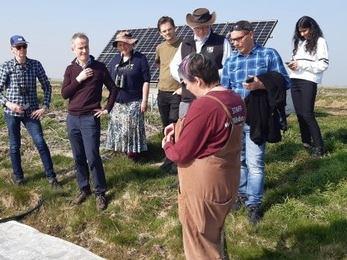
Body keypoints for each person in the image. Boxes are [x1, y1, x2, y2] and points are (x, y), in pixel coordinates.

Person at [162, 53, 246, 260]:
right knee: (213, 235)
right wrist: (180, 126)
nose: (186, 88)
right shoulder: (235, 98)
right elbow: (212, 131)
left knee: (199, 244)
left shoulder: (205, 105)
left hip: (203, 189)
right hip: (227, 180)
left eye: (186, 83)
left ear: (198, 80)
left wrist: (167, 145)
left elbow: (181, 153)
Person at [221, 20, 291, 224]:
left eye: (238, 39)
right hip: (236, 119)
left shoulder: (268, 54)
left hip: (258, 117)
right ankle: (242, 195)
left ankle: (254, 204)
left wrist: (262, 84)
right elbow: (225, 89)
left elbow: (285, 81)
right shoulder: (231, 61)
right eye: (232, 40)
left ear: (251, 34)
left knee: (255, 162)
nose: (235, 43)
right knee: (239, 160)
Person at [61, 33, 117, 211]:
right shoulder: (70, 69)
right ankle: (84, 189)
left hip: (89, 119)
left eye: (86, 46)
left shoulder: (99, 68)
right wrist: (79, 79)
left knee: (92, 156)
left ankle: (100, 192)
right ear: (73, 49)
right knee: (78, 157)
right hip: (72, 119)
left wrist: (107, 108)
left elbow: (113, 88)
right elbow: (64, 94)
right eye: (80, 47)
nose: (84, 50)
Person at [0, 35, 62, 188]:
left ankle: (52, 179)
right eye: (18, 47)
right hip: (12, 113)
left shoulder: (35, 65)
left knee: (40, 142)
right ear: (12, 49)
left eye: (24, 46)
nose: (22, 49)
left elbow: (47, 87)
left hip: (32, 113)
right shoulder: (6, 66)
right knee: (15, 146)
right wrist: (8, 104)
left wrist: (45, 106)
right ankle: (19, 179)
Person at [170, 7, 232, 117]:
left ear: (210, 25)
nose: (201, 31)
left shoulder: (222, 42)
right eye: (198, 28)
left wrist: (208, 78)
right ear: (192, 27)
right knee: (187, 130)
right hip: (188, 99)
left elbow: (228, 69)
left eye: (205, 27)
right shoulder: (185, 44)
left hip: (213, 99)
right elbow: (174, 66)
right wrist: (186, 79)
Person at [287, 16, 329, 157]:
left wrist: (301, 64)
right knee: (299, 114)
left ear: (312, 28)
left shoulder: (320, 41)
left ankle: (319, 147)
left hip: (308, 80)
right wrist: (293, 65)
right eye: (300, 31)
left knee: (307, 114)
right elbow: (299, 63)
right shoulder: (300, 43)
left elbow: (323, 64)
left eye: (304, 30)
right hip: (295, 79)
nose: (302, 34)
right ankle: (306, 143)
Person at [105, 32, 150, 160]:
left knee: (132, 128)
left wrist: (144, 100)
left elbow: (146, 80)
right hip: (118, 101)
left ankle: (133, 153)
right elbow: (110, 81)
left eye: (125, 44)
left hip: (134, 100)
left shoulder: (140, 59)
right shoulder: (114, 60)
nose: (123, 47)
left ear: (131, 44)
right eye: (120, 45)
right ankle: (120, 152)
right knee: (118, 127)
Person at [155, 16, 183, 174]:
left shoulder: (184, 44)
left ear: (175, 28)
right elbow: (159, 64)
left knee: (175, 125)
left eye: (169, 29)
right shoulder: (159, 48)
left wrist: (182, 87)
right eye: (164, 31)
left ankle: (176, 160)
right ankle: (168, 156)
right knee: (165, 125)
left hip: (177, 91)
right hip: (162, 91)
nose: (168, 33)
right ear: (160, 33)